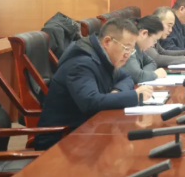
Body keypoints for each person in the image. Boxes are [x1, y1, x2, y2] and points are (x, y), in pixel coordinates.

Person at [34, 18, 153, 150]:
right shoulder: (81, 64)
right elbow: (91, 103)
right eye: (126, 48)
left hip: (86, 132)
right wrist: (135, 96)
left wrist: (117, 92)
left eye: (131, 50)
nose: (128, 55)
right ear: (107, 42)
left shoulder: (104, 57)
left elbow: (127, 78)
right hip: (61, 142)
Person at [122, 16, 168, 84]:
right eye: (154, 40)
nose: (152, 45)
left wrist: (144, 74)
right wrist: (155, 74)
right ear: (144, 33)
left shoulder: (140, 47)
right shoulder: (129, 46)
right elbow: (137, 76)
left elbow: (151, 62)